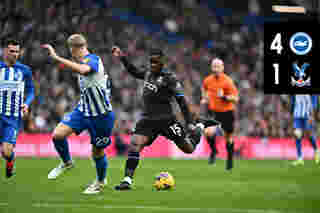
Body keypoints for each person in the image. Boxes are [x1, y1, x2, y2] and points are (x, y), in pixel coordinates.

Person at [111, 46, 216, 190]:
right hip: (148, 119)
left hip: (167, 120)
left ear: (162, 62)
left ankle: (200, 126)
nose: (152, 64)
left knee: (189, 148)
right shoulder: (148, 73)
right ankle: (127, 180)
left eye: (156, 62)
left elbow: (182, 102)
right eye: (151, 61)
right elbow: (134, 71)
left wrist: (190, 123)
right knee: (135, 144)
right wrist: (122, 57)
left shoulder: (170, 79)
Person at [41, 34, 115, 194]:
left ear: (73, 49)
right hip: (83, 110)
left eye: (71, 51)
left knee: (97, 152)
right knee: (58, 135)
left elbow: (84, 69)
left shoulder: (93, 59)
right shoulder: (81, 61)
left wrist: (57, 58)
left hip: (101, 115)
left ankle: (100, 182)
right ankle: (67, 162)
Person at [0, 38, 35, 178]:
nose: (15, 54)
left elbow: (31, 90)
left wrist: (27, 103)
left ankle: (10, 160)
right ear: (5, 51)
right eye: (12, 51)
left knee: (7, 152)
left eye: (17, 51)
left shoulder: (24, 70)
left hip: (12, 117)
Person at [201, 58, 239, 170]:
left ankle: (230, 160)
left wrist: (224, 97)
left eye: (218, 66)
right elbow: (204, 89)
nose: (216, 69)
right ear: (211, 68)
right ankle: (214, 151)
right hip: (215, 112)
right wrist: (204, 98)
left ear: (222, 68)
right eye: (214, 66)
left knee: (229, 137)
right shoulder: (207, 80)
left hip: (227, 112)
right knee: (207, 132)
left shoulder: (228, 81)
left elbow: (236, 98)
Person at [290, 95, 320, 166]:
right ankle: (300, 158)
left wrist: (312, 114)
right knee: (297, 134)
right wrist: (292, 111)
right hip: (297, 114)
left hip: (308, 114)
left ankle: (316, 150)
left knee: (308, 134)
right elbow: (293, 101)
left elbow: (314, 101)